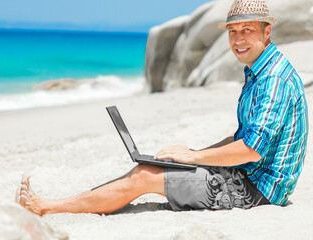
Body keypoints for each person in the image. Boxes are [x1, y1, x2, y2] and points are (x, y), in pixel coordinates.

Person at [16, 0, 308, 215]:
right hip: (248, 175)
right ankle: (66, 203)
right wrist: (196, 157)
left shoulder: (273, 80)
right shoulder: (261, 71)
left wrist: (195, 156)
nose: (238, 39)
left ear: (267, 31)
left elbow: (251, 150)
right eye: (233, 32)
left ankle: (48, 207)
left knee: (144, 177)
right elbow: (241, 138)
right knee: (149, 168)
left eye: (247, 30)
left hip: (257, 191)